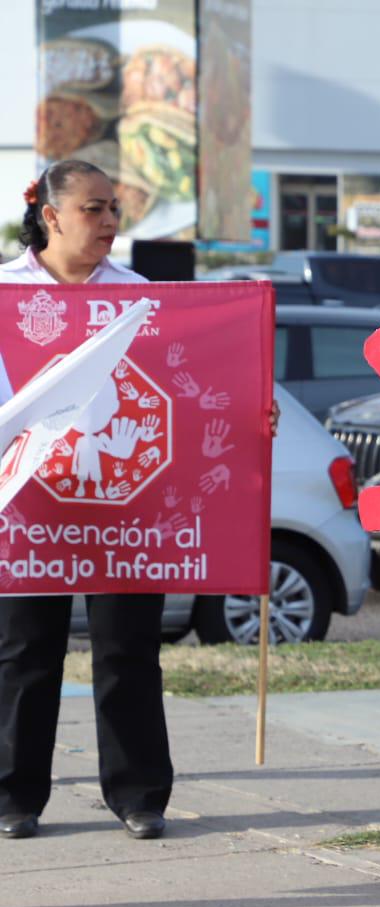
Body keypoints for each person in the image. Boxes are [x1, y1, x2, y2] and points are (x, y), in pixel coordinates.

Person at [0, 160, 165, 841]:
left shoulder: (143, 297)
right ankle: (14, 797)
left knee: (127, 650)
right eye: (94, 208)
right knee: (23, 653)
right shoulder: (6, 292)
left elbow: (178, 384)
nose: (108, 223)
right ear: (53, 215)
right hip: (28, 503)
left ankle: (139, 795)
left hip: (119, 505)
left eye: (114, 210)